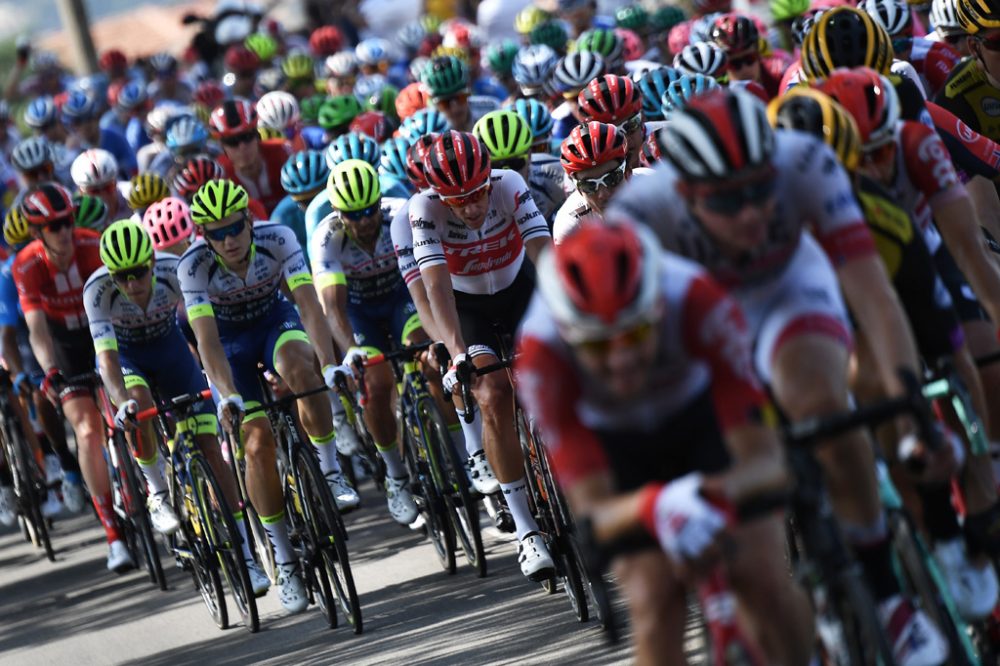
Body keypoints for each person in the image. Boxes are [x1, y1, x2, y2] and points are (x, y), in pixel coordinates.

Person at [610, 88, 948, 665]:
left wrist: (906, 397)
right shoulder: (640, 217)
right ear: (686, 192)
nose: (749, 213)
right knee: (751, 549)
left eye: (759, 190)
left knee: (821, 403)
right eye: (726, 199)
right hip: (698, 324)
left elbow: (873, 296)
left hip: (787, 288)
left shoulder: (804, 162)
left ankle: (887, 592)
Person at [516, 216, 814, 666]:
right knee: (654, 603)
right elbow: (593, 510)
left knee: (763, 576)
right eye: (598, 347)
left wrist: (712, 495)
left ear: (658, 309)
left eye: (635, 334)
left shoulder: (694, 298)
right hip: (614, 444)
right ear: (570, 337)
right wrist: (658, 506)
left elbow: (764, 461)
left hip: (701, 415)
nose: (621, 361)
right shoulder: (542, 353)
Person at [177, 178, 359, 614]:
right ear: (204, 235)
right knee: (256, 443)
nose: (229, 239)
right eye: (216, 233)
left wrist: (327, 361)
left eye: (235, 227)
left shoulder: (279, 238)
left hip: (273, 323)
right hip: (229, 346)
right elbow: (207, 342)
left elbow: (308, 304)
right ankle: (284, 557)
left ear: (249, 222)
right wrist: (225, 394)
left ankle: (330, 469)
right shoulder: (193, 267)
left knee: (301, 367)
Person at [408, 130, 555, 580]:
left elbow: (544, 255)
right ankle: (527, 533)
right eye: (458, 201)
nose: (470, 208)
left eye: (476, 195)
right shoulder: (424, 210)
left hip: (518, 292)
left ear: (488, 181)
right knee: (491, 393)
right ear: (439, 195)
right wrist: (455, 354)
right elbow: (436, 289)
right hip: (467, 307)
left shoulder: (510, 182)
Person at [13, 182, 133, 574]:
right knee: (86, 430)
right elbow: (37, 330)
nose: (64, 231)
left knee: (135, 407)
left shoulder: (92, 245)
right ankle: (113, 533)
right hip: (65, 343)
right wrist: (49, 373)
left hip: (106, 332)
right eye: (53, 226)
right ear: (36, 233)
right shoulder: (27, 266)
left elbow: (124, 302)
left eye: (66, 221)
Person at [309, 160, 420, 525]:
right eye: (353, 215)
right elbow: (332, 308)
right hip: (360, 311)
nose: (364, 221)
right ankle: (396, 475)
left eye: (370, 210)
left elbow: (426, 277)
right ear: (338, 213)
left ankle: (460, 456)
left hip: (401, 295)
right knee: (375, 380)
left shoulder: (399, 214)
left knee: (425, 356)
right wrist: (350, 349)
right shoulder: (327, 236)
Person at [210, 99, 291, 215]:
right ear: (222, 147)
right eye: (232, 142)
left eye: (247, 136)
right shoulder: (219, 175)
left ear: (257, 136)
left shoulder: (283, 151)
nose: (242, 147)